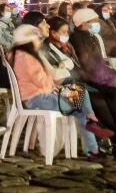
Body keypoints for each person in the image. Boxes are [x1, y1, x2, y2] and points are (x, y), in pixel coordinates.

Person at [7, 25, 105, 160]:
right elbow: (40, 81)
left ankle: (92, 131)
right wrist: (52, 82)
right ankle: (93, 143)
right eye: (36, 39)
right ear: (28, 41)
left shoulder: (19, 55)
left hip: (42, 95)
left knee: (80, 92)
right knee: (80, 103)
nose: (38, 42)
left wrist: (53, 83)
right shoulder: (25, 58)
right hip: (38, 98)